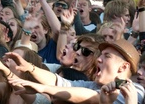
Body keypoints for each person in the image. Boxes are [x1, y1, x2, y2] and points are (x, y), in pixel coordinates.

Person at [8, 39, 144, 103]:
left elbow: (92, 97)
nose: (99, 60)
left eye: (107, 56)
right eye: (100, 55)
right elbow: (60, 82)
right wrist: (30, 68)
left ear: (123, 67)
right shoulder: (94, 85)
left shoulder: (136, 90)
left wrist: (43, 88)